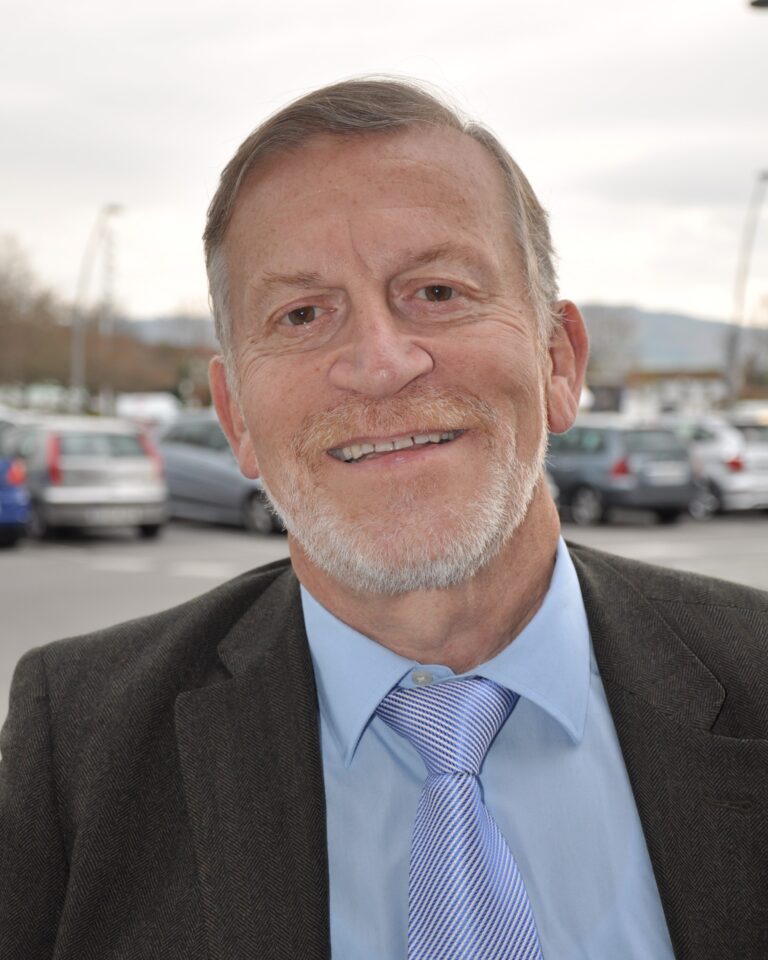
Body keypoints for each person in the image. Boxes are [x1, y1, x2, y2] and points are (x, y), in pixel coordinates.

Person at [2, 78, 767, 960]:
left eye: (436, 291)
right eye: (302, 314)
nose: (380, 363)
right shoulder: (80, 747)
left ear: (559, 362)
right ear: (236, 415)